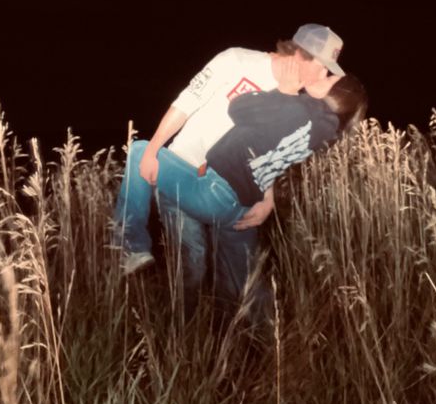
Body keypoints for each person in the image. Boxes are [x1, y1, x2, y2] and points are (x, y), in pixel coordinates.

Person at [115, 59, 367, 323]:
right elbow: (268, 153)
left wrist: (285, 92)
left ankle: (130, 245)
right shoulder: (321, 131)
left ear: (336, 94)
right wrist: (267, 196)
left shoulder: (297, 108)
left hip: (214, 191)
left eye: (329, 79)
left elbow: (240, 109)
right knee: (240, 284)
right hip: (244, 206)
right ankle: (249, 339)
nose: (322, 76)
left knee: (140, 151)